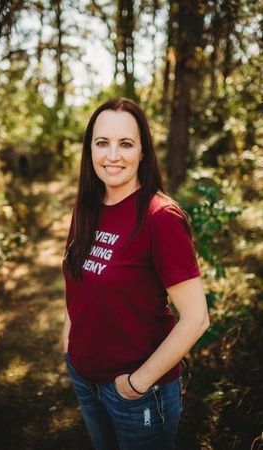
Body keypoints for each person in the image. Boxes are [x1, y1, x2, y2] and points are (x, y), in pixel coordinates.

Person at [62, 97, 209, 450]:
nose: (113, 155)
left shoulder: (160, 218)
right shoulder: (88, 207)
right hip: (85, 378)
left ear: (143, 152)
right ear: (90, 150)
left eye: (125, 143)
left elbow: (197, 318)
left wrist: (137, 383)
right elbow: (79, 280)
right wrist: (69, 341)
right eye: (102, 143)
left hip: (136, 392)